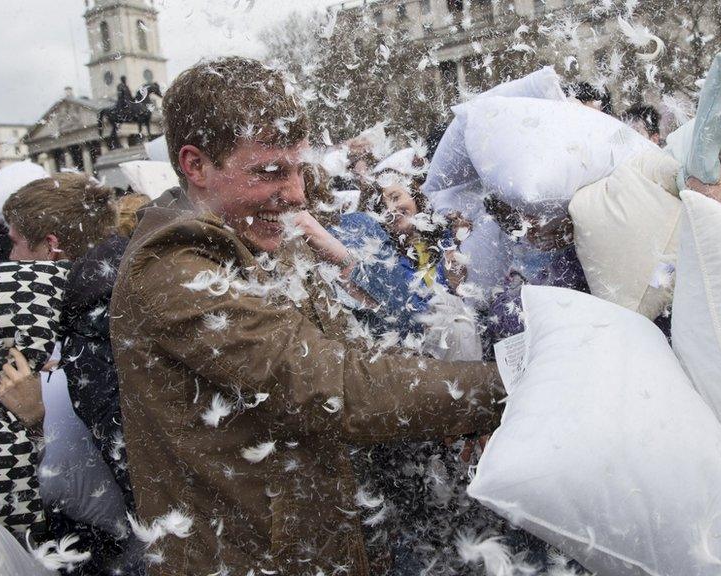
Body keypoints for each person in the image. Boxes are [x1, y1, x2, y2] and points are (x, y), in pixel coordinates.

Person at [109, 56, 503, 575]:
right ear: (195, 164)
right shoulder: (172, 270)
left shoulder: (263, 240)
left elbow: (353, 353)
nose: (296, 194)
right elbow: (333, 384)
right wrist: (503, 388)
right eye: (270, 171)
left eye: (299, 169)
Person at [1, 173, 140, 574]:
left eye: (15, 243)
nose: (11, 260)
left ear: (51, 245)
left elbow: (130, 465)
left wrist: (35, 419)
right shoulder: (108, 289)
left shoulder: (98, 322)